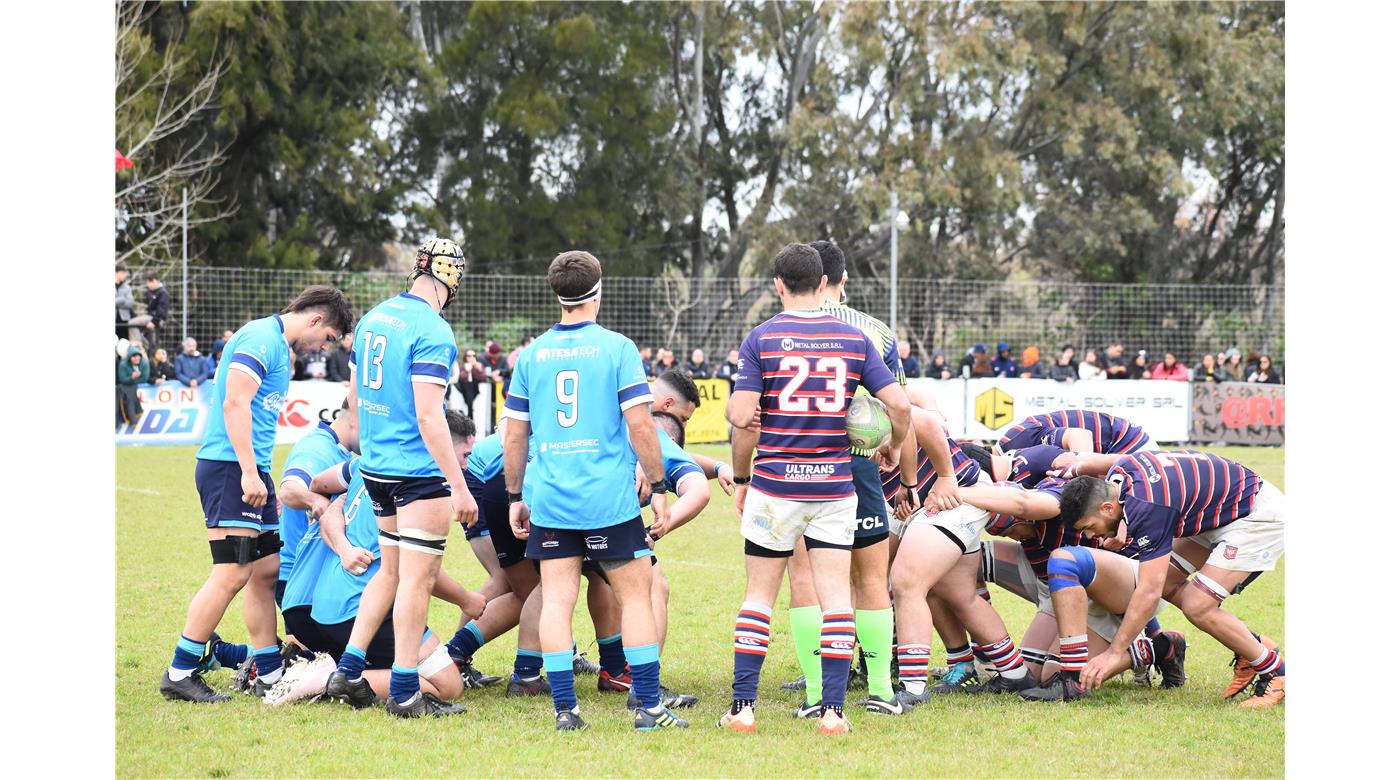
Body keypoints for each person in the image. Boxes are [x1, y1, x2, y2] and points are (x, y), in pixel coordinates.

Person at [720, 242, 910, 736]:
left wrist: (742, 476)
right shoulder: (854, 338)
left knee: (758, 596)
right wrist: (890, 441)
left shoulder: (761, 338)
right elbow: (901, 406)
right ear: (824, 283)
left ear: (778, 285)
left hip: (775, 485)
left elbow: (741, 417)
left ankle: (742, 709)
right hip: (834, 487)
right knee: (835, 598)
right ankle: (833, 713)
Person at [503, 249, 687, 732]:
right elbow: (642, 426)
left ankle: (566, 711)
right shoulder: (617, 348)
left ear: (557, 294)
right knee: (636, 597)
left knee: (557, 598)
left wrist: (515, 496)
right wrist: (662, 485)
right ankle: (648, 707)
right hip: (607, 499)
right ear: (597, 291)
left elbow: (515, 434)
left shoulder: (532, 355)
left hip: (551, 497)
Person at [158, 285, 351, 703]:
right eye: (330, 337)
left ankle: (268, 671)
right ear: (316, 320)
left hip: (250, 471)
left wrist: (260, 476)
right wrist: (248, 472)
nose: (325, 346)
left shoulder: (281, 348)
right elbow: (234, 404)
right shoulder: (261, 338)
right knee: (231, 573)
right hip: (230, 468)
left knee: (265, 572)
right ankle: (181, 669)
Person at [324, 237, 478, 719]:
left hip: (377, 467)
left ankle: (348, 671)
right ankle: (407, 690)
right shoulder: (433, 330)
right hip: (417, 471)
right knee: (416, 579)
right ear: (452, 278)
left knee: (390, 574)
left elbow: (353, 395)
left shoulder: (374, 317)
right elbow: (431, 417)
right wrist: (458, 484)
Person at [778, 239, 929, 719]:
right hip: (857, 466)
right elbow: (899, 408)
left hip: (794, 467)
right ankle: (882, 690)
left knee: (804, 579)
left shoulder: (773, 330)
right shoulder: (874, 331)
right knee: (870, 578)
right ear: (839, 281)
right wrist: (906, 481)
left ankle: (816, 692)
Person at [1036, 451, 1286, 707]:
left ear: (1108, 507)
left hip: (1256, 515)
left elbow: (1148, 591)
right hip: (1226, 506)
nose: (1090, 535)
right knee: (1168, 582)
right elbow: (1103, 462)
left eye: (1088, 526)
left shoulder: (1148, 507)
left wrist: (1114, 653)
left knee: (1197, 605)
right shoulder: (1120, 472)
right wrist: (1076, 468)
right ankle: (1250, 647)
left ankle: (1276, 672)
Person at [273, 455, 482, 707]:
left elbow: (318, 483)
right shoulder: (423, 475)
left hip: (323, 606)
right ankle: (326, 679)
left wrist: (340, 521)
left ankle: (332, 669)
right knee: (448, 685)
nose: (465, 465)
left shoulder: (364, 462)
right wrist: (465, 599)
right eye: (463, 456)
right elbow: (421, 572)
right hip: (360, 607)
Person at [274, 398, 357, 610]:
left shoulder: (341, 451)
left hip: (316, 574)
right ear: (356, 419)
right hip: (299, 578)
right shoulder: (317, 448)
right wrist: (315, 500)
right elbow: (289, 489)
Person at [997, 409, 1155, 455]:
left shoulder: (1018, 442)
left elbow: (1080, 436)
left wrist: (1085, 485)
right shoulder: (1010, 441)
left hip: (1130, 444)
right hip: (1118, 442)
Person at [127, 271, 170, 350]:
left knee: (131, 323)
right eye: (148, 282)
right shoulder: (150, 292)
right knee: (148, 338)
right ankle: (145, 347)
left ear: (156, 281)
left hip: (156, 319)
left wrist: (154, 321)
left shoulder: (163, 293)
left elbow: (161, 310)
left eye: (151, 282)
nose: (148, 285)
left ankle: (137, 347)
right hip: (150, 317)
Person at [116, 345, 149, 426]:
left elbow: (145, 378)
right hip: (124, 388)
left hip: (130, 387)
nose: (136, 358)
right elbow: (122, 379)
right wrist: (132, 377)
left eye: (138, 356)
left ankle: (134, 416)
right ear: (129, 357)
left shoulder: (144, 363)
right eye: (134, 356)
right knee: (127, 392)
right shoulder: (123, 364)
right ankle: (132, 418)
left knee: (130, 391)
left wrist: (131, 380)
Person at [116, 263, 135, 340]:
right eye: (122, 273)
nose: (124, 276)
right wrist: (122, 299)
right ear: (116, 273)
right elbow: (124, 301)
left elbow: (130, 303)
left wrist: (116, 302)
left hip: (124, 320)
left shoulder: (127, 288)